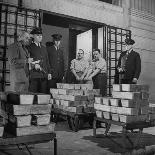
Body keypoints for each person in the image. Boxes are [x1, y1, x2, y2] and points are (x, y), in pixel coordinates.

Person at [28, 27, 51, 93]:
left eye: (41, 35)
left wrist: (49, 72)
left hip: (44, 76)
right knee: (33, 95)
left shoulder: (44, 48)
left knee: (43, 95)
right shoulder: (29, 47)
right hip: (34, 76)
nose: (40, 37)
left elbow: (47, 61)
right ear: (33, 36)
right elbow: (28, 61)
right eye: (38, 35)